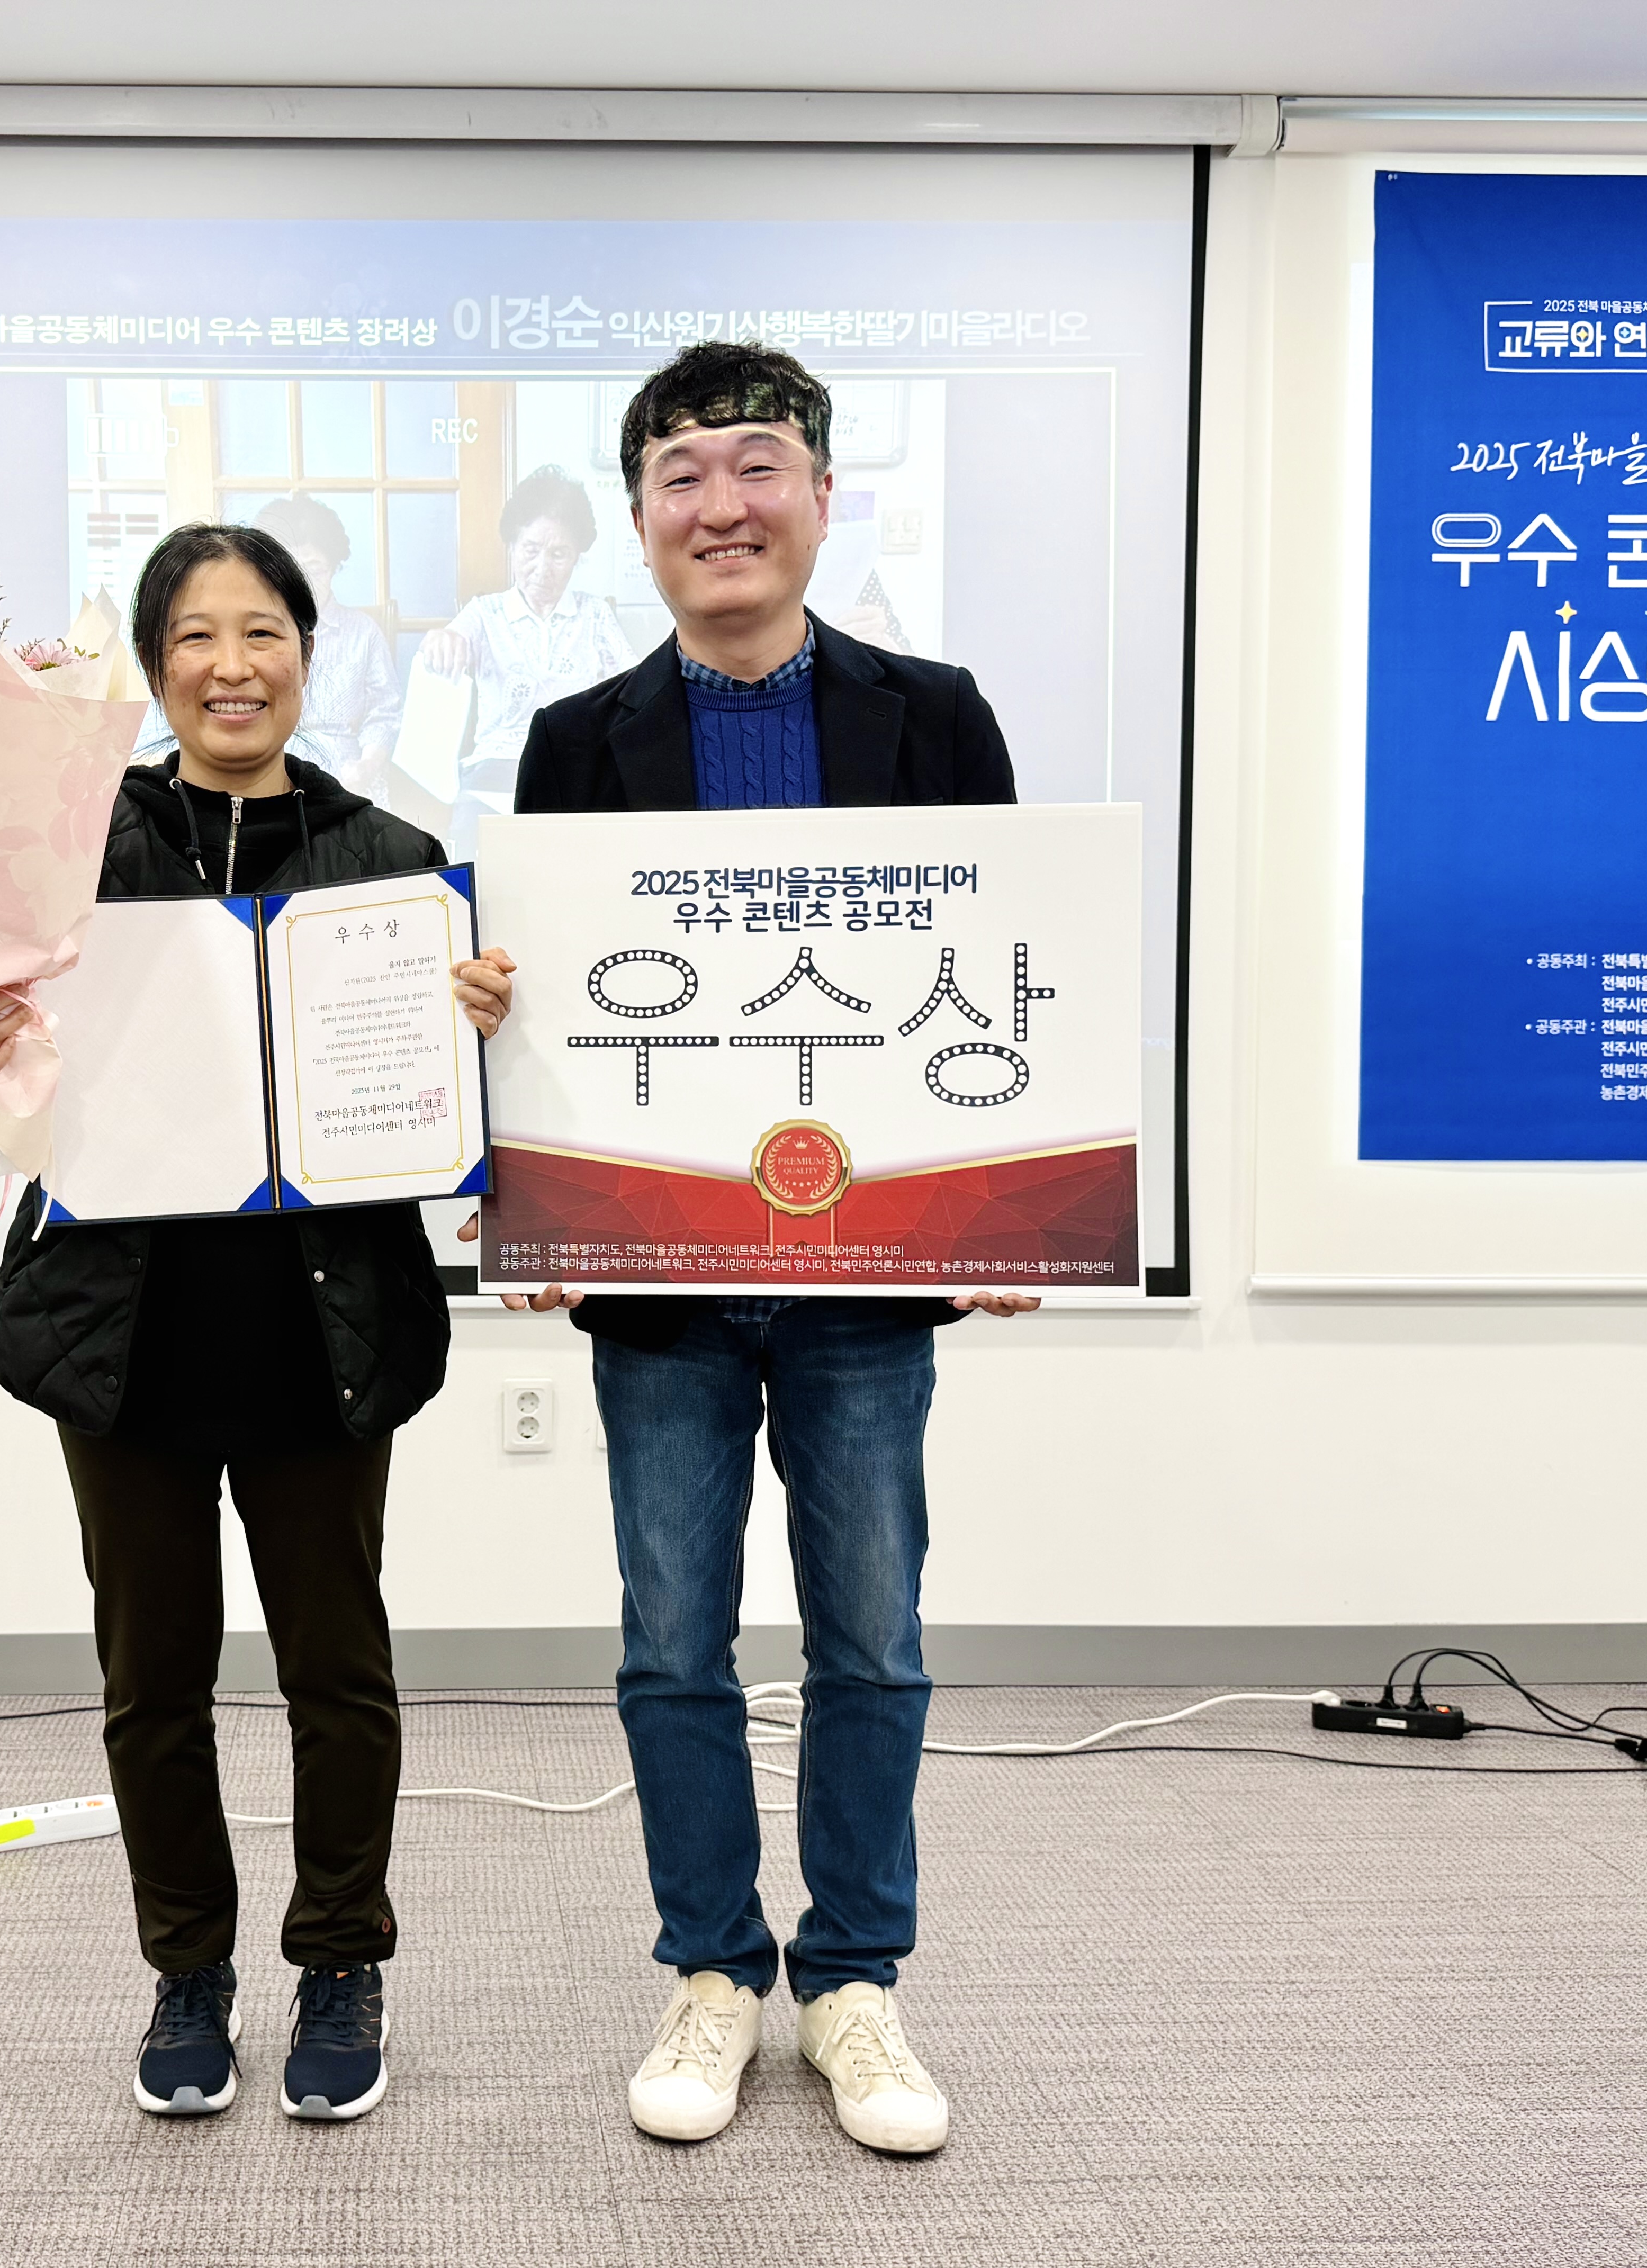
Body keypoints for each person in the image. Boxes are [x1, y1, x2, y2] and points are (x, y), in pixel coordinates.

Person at [0, 523, 516, 2127]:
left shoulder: (391, 859)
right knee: (151, 1682)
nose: (231, 666)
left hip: (325, 1338)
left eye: (262, 633)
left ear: (308, 653)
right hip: (125, 1338)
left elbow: (454, 1105)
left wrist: (478, 1036)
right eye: (193, 637)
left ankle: (341, 1960)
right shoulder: (66, 846)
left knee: (337, 1673)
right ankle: (187, 1969)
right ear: (156, 668)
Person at [507, 343, 1038, 2156]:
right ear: (640, 516)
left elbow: (1004, 963)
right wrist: (526, 1175)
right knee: (673, 1641)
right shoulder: (575, 741)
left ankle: (856, 1980)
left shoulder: (935, 716)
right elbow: (557, 1006)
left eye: (757, 466)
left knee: (872, 1639)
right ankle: (716, 1970)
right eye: (681, 474)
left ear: (821, 494)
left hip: (866, 1277)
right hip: (659, 1282)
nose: (720, 504)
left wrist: (1010, 1198)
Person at [418, 465, 637, 853]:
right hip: (495, 773)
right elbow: (450, 640)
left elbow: (634, 686)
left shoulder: (595, 615)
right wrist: (441, 641)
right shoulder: (485, 613)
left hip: (576, 769)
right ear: (513, 546)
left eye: (559, 554)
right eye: (531, 551)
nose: (542, 569)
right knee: (475, 862)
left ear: (577, 555)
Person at [253, 493, 401, 793]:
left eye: (315, 569)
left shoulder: (363, 632)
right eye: (291, 571)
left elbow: (385, 712)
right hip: (265, 766)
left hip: (346, 775)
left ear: (334, 567)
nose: (303, 583)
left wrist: (366, 767)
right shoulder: (251, 632)